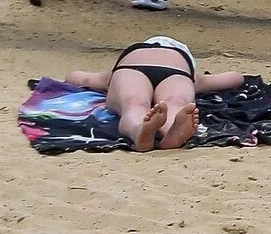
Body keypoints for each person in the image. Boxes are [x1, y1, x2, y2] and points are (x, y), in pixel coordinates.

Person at [57, 37, 246, 153]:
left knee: (134, 103)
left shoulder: (134, 55)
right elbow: (235, 78)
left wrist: (106, 79)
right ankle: (172, 128)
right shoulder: (192, 72)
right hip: (177, 68)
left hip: (130, 66)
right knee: (176, 101)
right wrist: (200, 79)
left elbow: (77, 78)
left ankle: (139, 130)